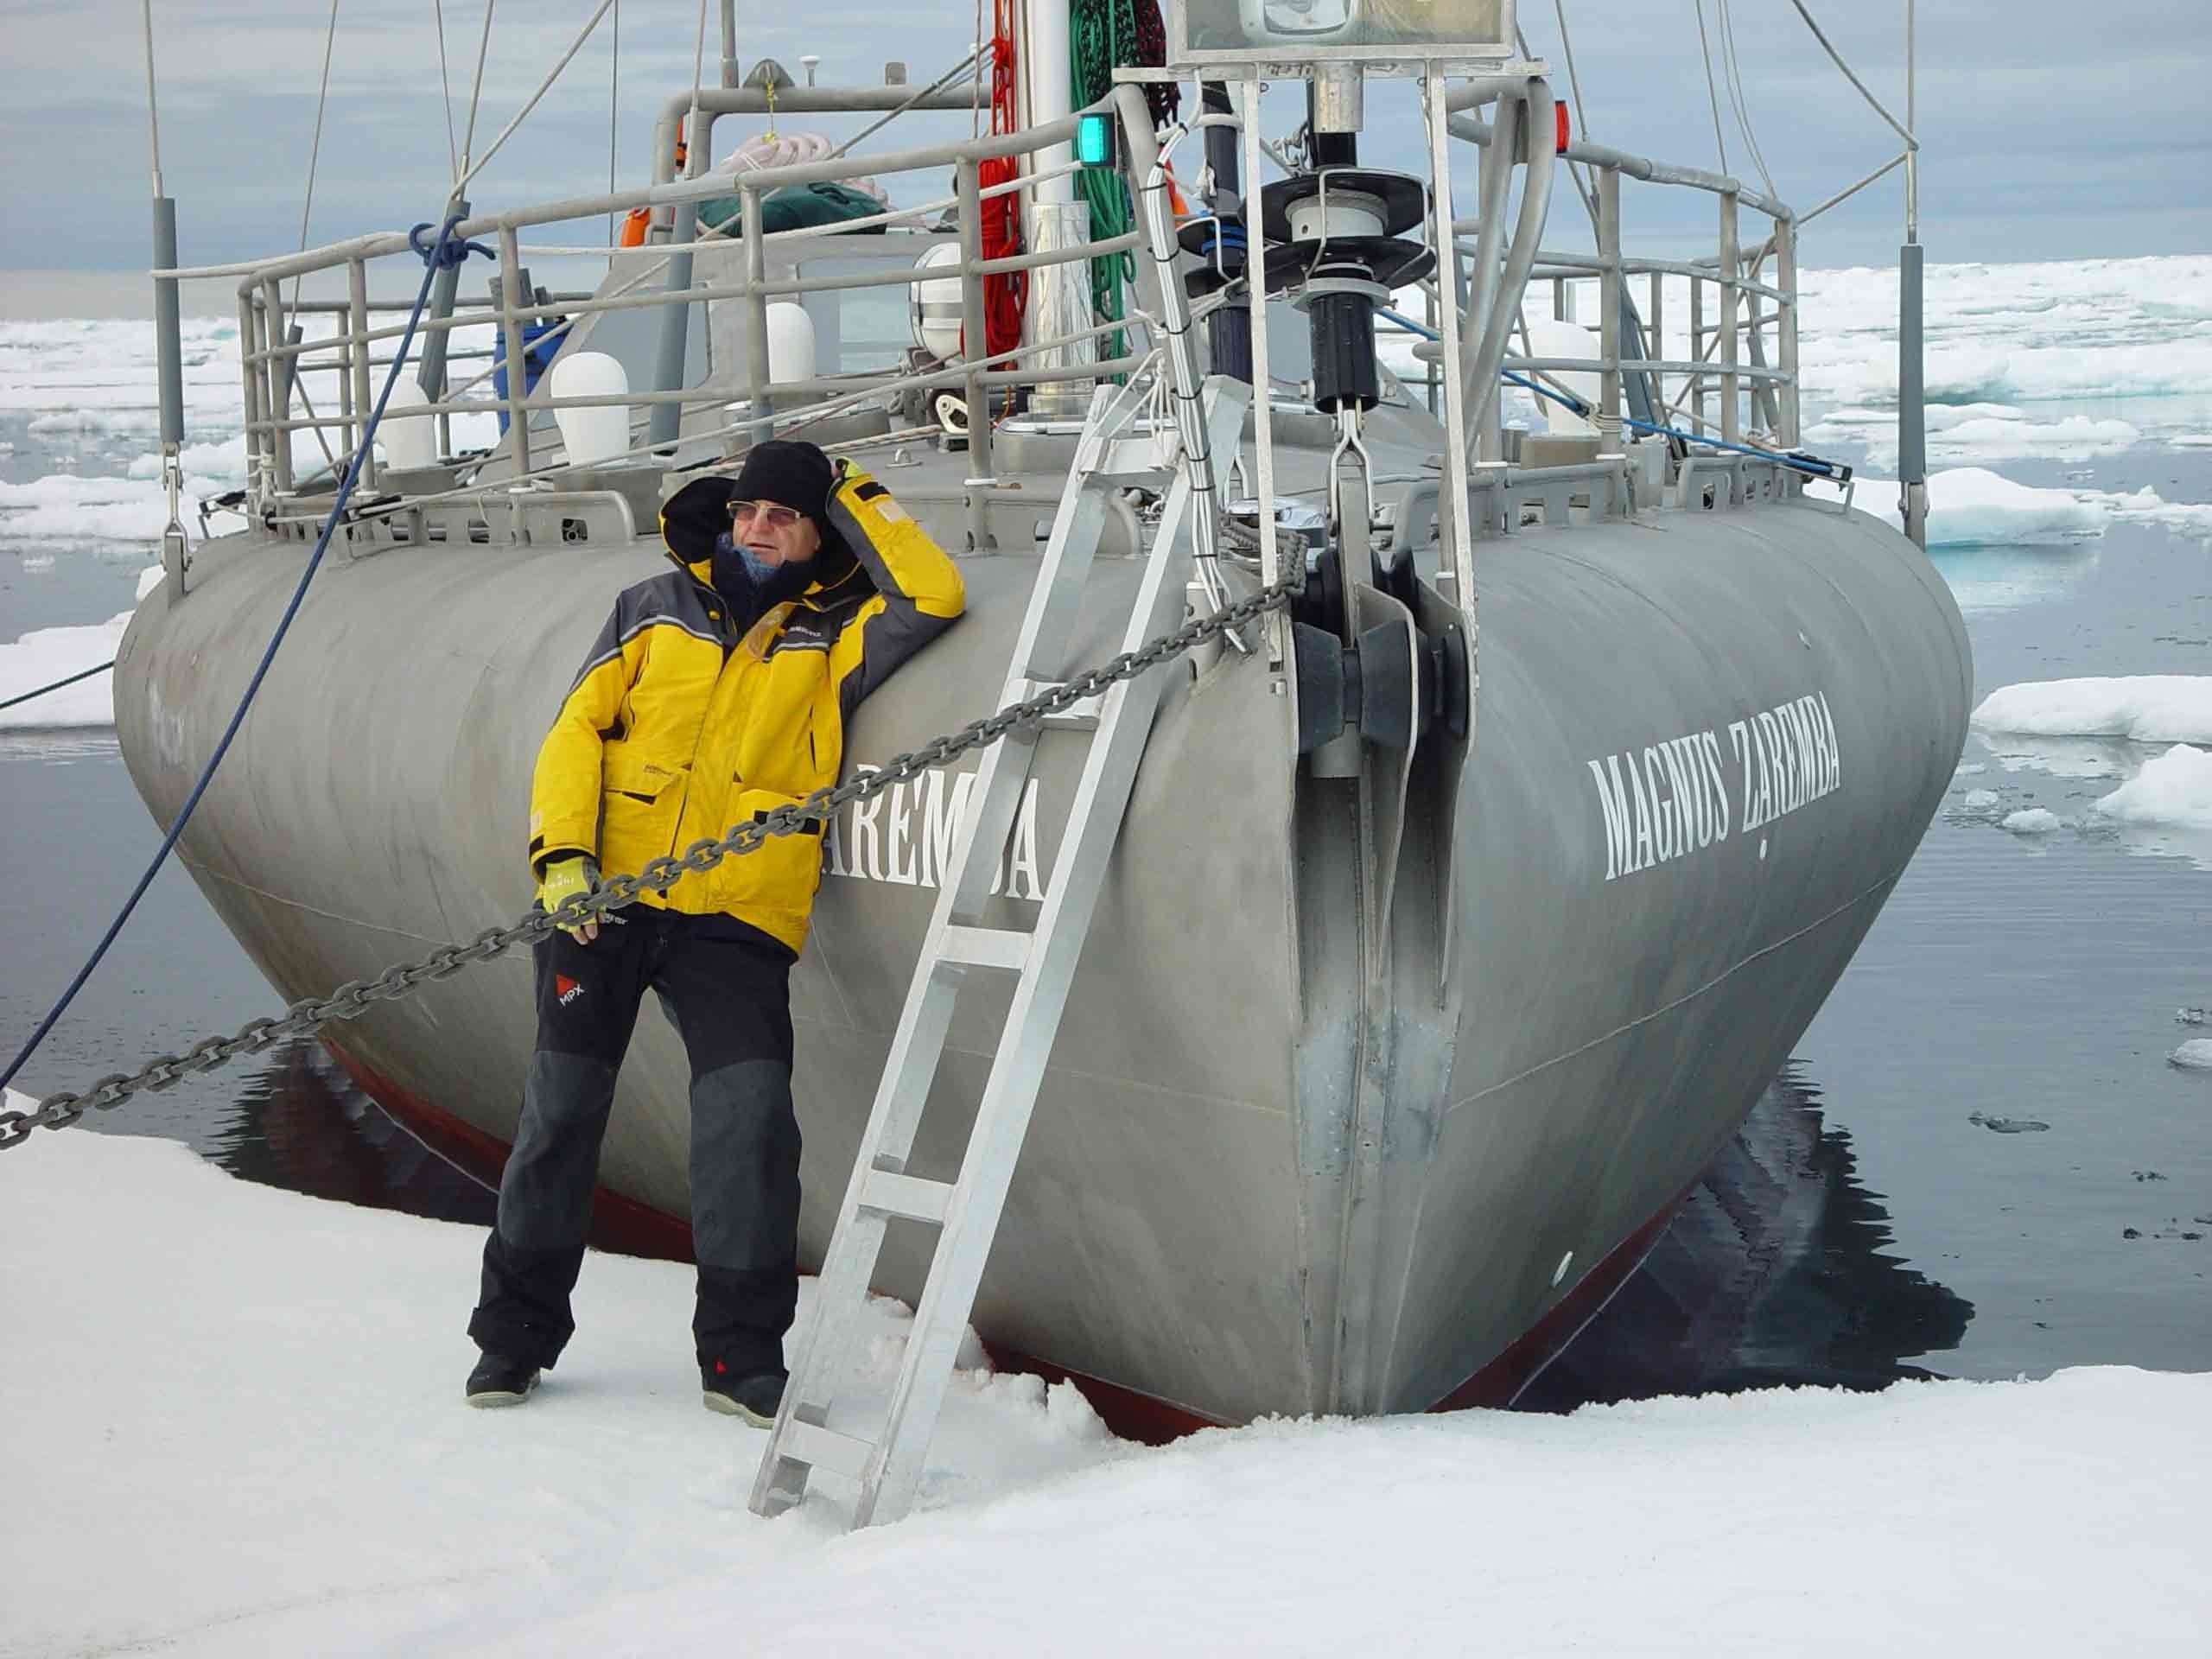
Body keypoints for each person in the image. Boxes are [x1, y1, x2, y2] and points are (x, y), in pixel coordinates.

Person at [464, 440, 964, 1424]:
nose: (758, 525)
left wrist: (848, 487)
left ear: (819, 531)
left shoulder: (839, 631)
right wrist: (562, 860)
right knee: (559, 1116)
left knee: (749, 1132)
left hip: (733, 919)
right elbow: (576, 731)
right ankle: (513, 1342)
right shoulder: (651, 609)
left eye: (783, 513)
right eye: (747, 510)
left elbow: (935, 594)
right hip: (603, 904)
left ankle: (740, 1359)